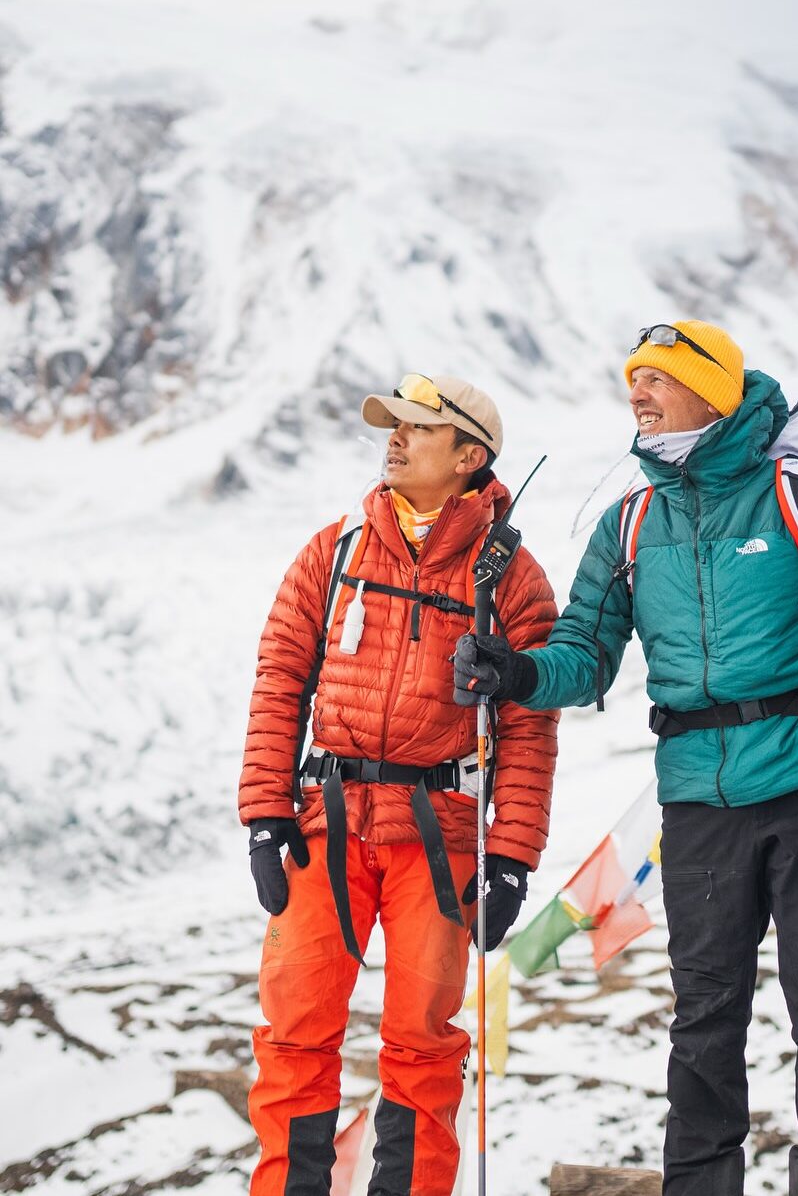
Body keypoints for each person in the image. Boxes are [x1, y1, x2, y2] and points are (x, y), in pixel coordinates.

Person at [452, 321, 798, 1196]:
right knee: (704, 1023)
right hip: (698, 803)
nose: (639, 393)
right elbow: (583, 656)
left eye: (659, 377)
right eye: (633, 379)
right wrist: (515, 671)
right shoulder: (628, 522)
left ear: (715, 391)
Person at [239, 374, 558, 1196]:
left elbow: (529, 724)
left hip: (440, 836)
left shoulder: (512, 579)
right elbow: (280, 678)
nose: (396, 437)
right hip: (325, 824)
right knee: (294, 1035)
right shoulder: (335, 549)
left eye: (419, 428)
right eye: (395, 424)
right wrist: (266, 814)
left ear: (469, 457)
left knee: (422, 1043)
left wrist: (511, 857)